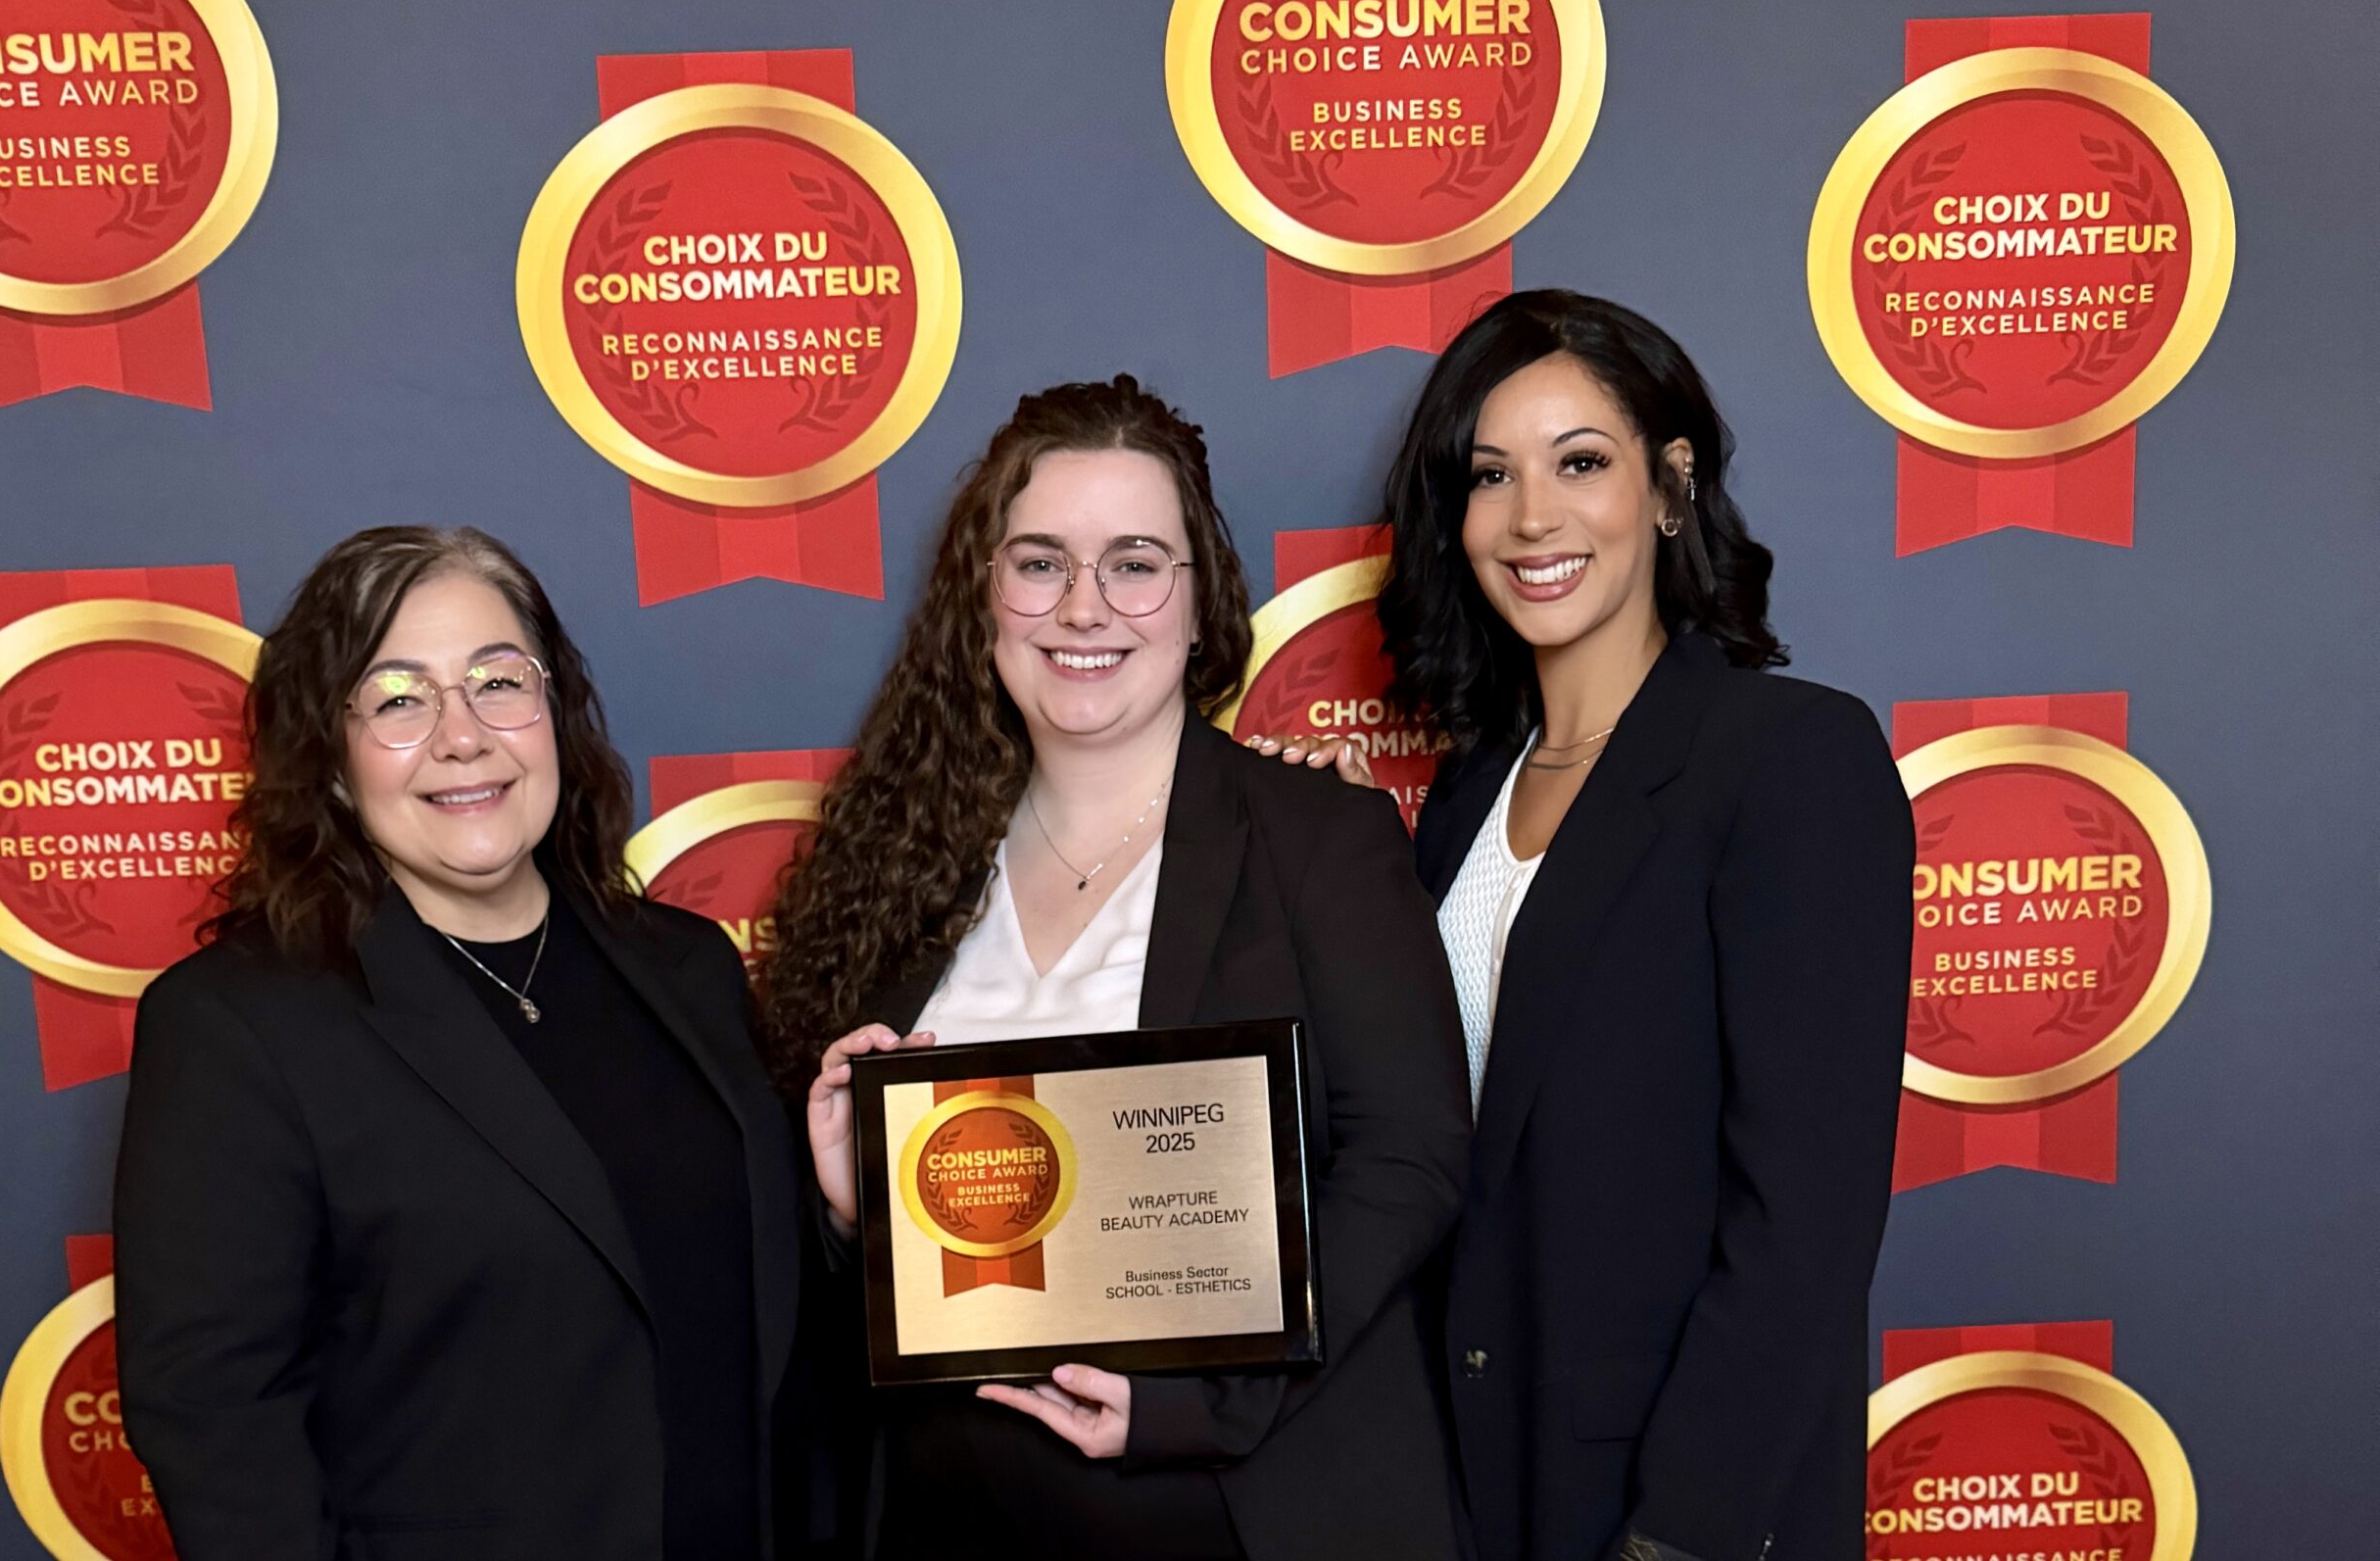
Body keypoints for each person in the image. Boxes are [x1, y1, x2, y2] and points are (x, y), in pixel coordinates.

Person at [758, 376, 1472, 1561]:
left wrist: (1204, 1401)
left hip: (1238, 1507)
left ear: (1199, 606)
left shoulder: (1316, 839)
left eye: (1135, 562)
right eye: (1039, 563)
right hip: (958, 1515)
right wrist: (854, 1210)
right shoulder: (902, 857)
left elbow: (1408, 1160)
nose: (1084, 607)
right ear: (981, 599)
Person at [1281, 289, 1915, 1561]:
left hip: (1670, 1507)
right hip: (1462, 1485)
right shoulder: (1465, 799)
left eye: (1580, 462)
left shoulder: (1789, 759)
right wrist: (1335, 891)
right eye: (1490, 474)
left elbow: (1805, 1223)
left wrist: (1680, 1532)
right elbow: (1446, 1133)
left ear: (1672, 487)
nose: (1531, 517)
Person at [114, 526, 818, 1561]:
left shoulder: (686, 967)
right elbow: (217, 1423)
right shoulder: (236, 1026)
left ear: (554, 718)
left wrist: (833, 1214)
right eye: (398, 699)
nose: (463, 736)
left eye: (498, 682)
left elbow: (731, 1299)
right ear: (334, 762)